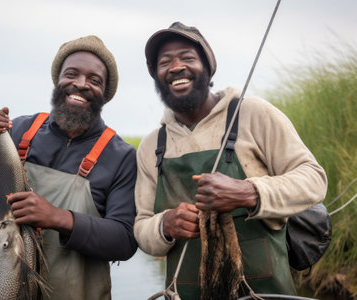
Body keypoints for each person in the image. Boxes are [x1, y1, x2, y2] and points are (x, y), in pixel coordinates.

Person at [133, 22, 328, 298]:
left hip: (266, 293)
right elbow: (141, 227)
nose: (176, 67)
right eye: (164, 62)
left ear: (208, 67)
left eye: (188, 57)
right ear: (157, 76)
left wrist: (249, 192)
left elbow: (314, 179)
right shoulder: (152, 145)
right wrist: (165, 226)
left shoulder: (254, 114)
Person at [0, 35, 138, 300]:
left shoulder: (121, 157)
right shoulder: (19, 131)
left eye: (95, 80)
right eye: (72, 74)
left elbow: (124, 241)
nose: (81, 84)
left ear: (105, 93)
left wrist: (58, 218)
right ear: (58, 80)